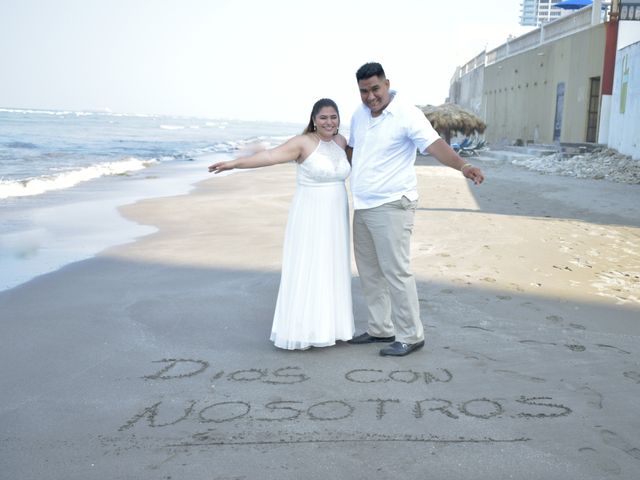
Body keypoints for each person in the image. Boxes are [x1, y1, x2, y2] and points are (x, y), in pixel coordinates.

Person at [346, 62, 484, 357]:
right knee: (369, 272)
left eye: (375, 89)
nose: (370, 96)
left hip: (393, 204)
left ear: (386, 84)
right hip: (363, 205)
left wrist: (464, 165)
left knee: (396, 272)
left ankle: (411, 335)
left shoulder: (407, 113)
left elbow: (435, 145)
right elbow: (353, 151)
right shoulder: (358, 115)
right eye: (364, 91)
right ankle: (380, 328)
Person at [208, 98, 354, 350]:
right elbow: (270, 156)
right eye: (323, 118)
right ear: (314, 120)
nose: (329, 122)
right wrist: (234, 164)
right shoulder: (303, 143)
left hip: (336, 214)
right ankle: (303, 329)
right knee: (310, 265)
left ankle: (331, 327)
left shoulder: (342, 142)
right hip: (310, 213)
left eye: (333, 117)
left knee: (332, 265)